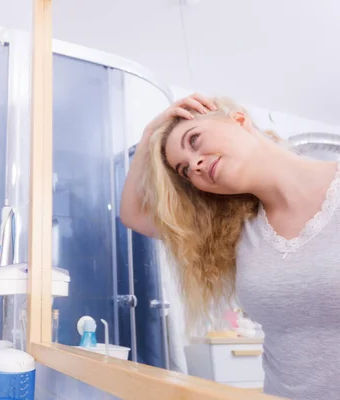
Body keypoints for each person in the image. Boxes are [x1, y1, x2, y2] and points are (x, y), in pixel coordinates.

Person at [120, 93, 340, 399]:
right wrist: (147, 138)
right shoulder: (238, 231)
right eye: (184, 170)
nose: (194, 164)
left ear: (239, 121)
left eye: (194, 140)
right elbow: (133, 215)